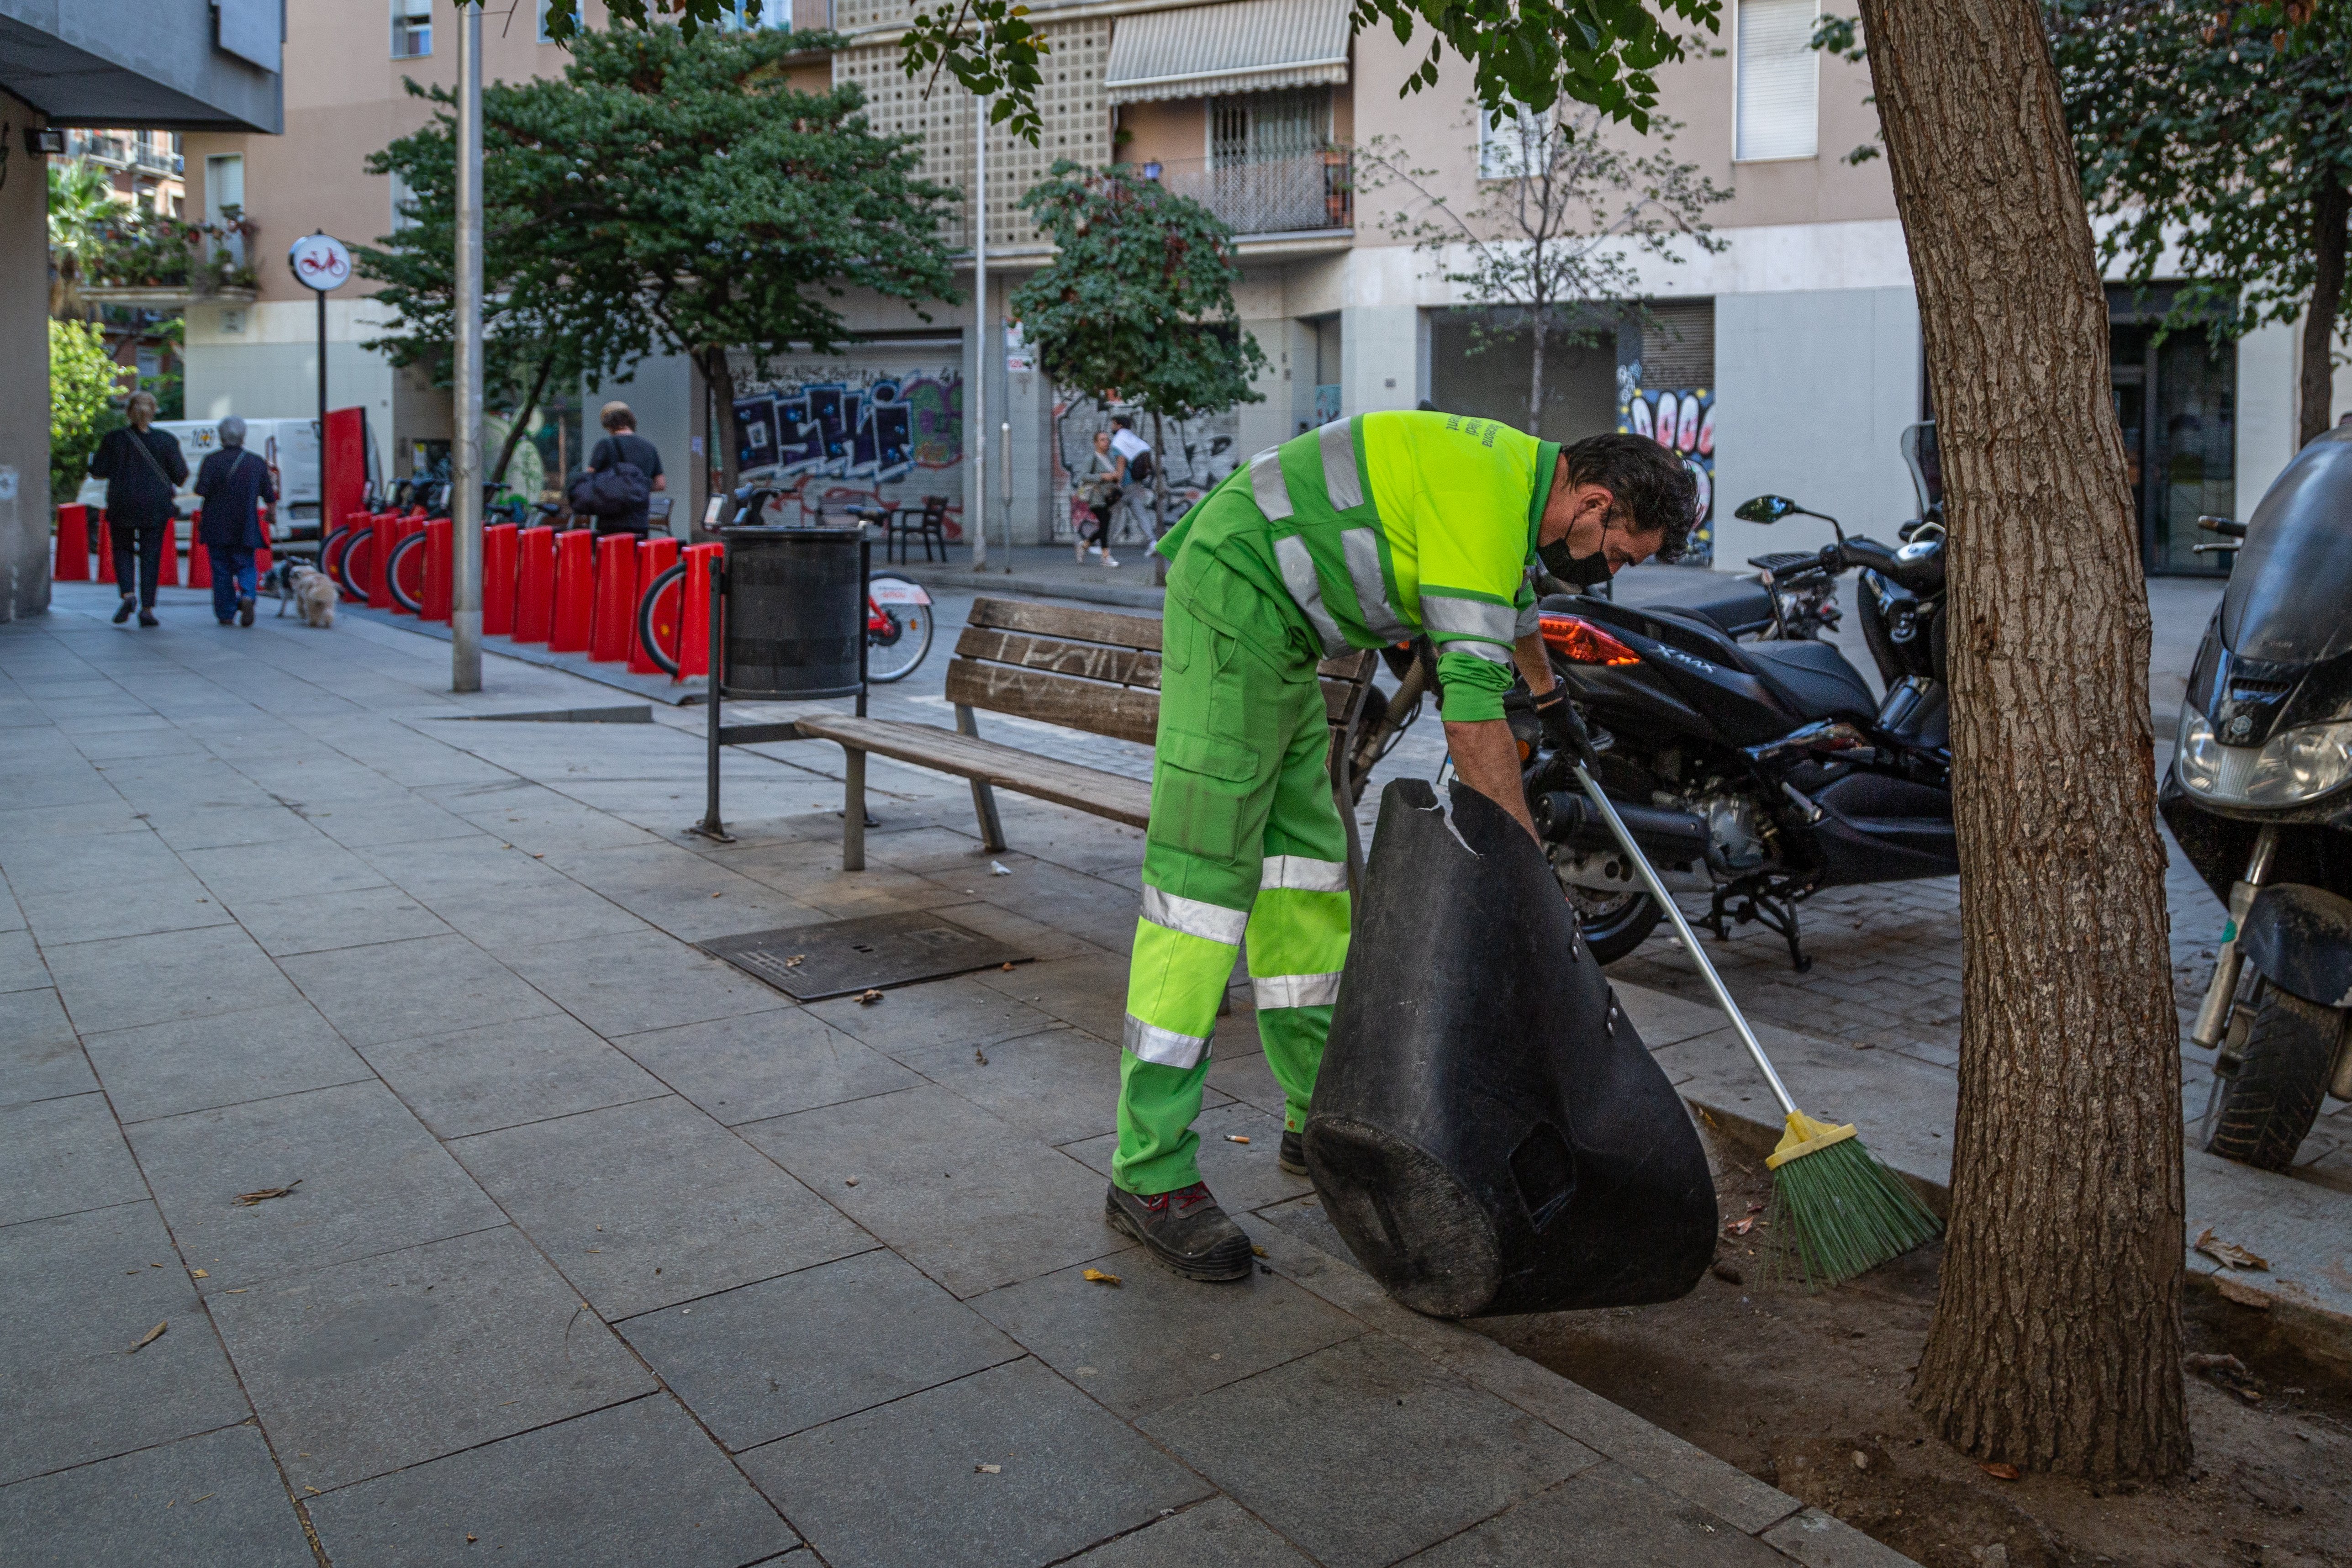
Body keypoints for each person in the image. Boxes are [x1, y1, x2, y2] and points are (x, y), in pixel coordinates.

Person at [1107, 419, 1696, 1280]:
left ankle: (1321, 1114)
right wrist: (1528, 878)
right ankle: (1149, 1173)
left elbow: (1510, 608)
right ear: (1595, 503)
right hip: (1232, 602)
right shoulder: (1484, 497)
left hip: (1281, 637)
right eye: (1620, 552)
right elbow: (1469, 720)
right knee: (1201, 893)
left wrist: (1550, 694)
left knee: (1303, 873)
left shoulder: (1513, 489)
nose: (1610, 571)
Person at [88, 391, 187, 627]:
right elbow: (181, 476)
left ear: (128, 411)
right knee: (151, 555)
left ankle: (128, 595)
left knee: (122, 550)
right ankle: (148, 608)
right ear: (154, 411)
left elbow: (98, 471)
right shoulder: (167, 441)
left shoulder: (114, 439)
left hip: (122, 503)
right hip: (156, 506)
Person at [192, 416, 278, 627]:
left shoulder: (211, 460)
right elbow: (269, 493)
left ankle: (226, 612)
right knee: (247, 565)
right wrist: (271, 513)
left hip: (216, 524)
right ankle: (248, 596)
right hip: (245, 525)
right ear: (243, 436)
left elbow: (200, 490)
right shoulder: (255, 462)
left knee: (221, 570)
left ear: (221, 436)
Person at [585, 401, 665, 536]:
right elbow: (661, 484)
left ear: (608, 424)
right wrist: (637, 487)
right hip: (640, 521)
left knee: (610, 556)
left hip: (610, 521)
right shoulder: (649, 448)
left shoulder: (605, 445)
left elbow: (589, 479)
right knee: (636, 556)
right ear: (630, 420)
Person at [1072, 429, 1122, 569]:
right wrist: (1102, 477)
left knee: (1104, 526)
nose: (1106, 442)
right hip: (1096, 497)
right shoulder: (1092, 458)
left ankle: (1084, 545)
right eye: (1102, 440)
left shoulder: (1111, 457)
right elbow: (1083, 476)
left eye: (1107, 439)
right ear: (1096, 443)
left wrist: (1115, 477)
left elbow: (1114, 475)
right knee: (1105, 524)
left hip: (1108, 498)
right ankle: (1106, 556)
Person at [1107, 414, 1155, 547]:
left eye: (1113, 424)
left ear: (1119, 425)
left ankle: (1105, 545)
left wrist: (1118, 484)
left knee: (1113, 514)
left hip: (1125, 484)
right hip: (1136, 483)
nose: (1111, 426)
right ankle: (1152, 542)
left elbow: (1121, 463)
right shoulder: (1133, 438)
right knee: (1140, 513)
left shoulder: (1118, 441)